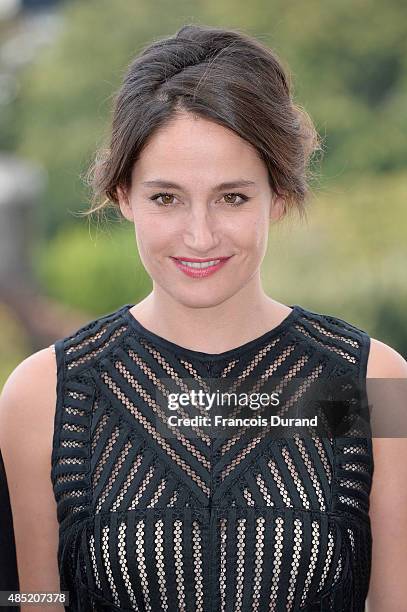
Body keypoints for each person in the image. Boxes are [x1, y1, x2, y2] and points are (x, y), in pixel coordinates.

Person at [0, 22, 406, 612]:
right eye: (166, 197)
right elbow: (27, 603)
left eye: (232, 197)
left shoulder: (373, 386)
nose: (199, 235)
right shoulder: (43, 395)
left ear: (280, 194)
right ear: (122, 195)